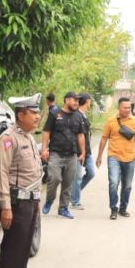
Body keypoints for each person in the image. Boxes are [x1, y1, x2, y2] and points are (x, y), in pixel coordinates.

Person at [0, 94, 43, 268]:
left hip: (30, 201)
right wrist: (6, 206)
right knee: (13, 253)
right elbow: (2, 172)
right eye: (33, 113)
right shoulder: (9, 138)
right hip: (16, 203)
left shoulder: (29, 137)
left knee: (23, 251)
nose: (38, 116)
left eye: (37, 113)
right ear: (21, 114)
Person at [95, 96, 135, 220]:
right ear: (119, 108)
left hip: (130, 157)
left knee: (127, 185)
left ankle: (123, 208)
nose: (127, 110)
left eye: (129, 107)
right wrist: (99, 156)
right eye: (125, 107)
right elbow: (104, 138)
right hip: (114, 156)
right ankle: (113, 209)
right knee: (114, 183)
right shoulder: (110, 121)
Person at [40, 90, 85, 219]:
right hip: (56, 153)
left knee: (68, 183)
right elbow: (46, 132)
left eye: (78, 100)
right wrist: (44, 150)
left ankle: (63, 208)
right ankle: (49, 200)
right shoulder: (55, 113)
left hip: (72, 155)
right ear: (66, 100)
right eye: (74, 100)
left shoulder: (78, 116)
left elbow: (81, 135)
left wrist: (83, 152)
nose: (77, 102)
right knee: (54, 178)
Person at [69, 92, 96, 210]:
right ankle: (75, 201)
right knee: (78, 176)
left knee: (91, 173)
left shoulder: (83, 115)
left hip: (87, 150)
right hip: (79, 151)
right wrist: (80, 151)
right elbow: (76, 136)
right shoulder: (76, 115)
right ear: (88, 101)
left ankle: (74, 192)